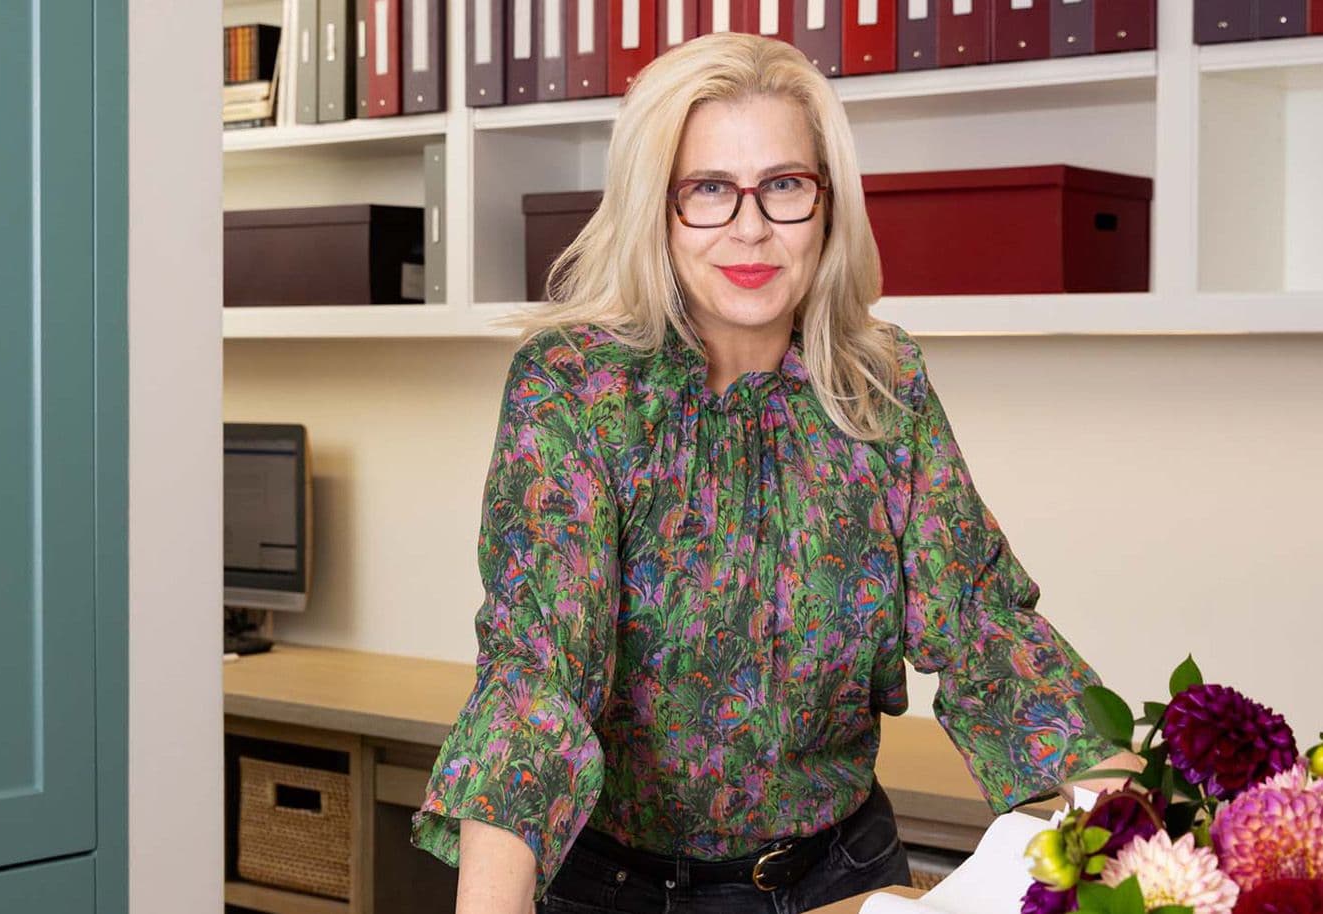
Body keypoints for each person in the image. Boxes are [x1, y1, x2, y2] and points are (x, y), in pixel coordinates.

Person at [411, 31, 1139, 914]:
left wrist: (1151, 835)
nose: (751, 228)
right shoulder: (575, 388)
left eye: (784, 185)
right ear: (654, 207)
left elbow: (986, 628)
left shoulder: (883, 381)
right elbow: (539, 676)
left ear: (827, 203)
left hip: (844, 880)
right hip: (623, 893)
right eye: (709, 189)